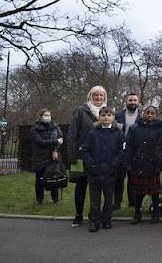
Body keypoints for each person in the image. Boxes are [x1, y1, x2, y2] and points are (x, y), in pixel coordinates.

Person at [79, 107, 125, 233]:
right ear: (99, 117)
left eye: (109, 115)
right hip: (95, 172)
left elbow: (122, 151)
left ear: (113, 117)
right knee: (95, 199)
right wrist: (91, 164)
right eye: (103, 115)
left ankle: (107, 219)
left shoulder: (119, 134)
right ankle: (94, 221)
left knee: (109, 199)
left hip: (110, 172)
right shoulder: (92, 133)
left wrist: (115, 164)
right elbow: (85, 150)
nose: (106, 117)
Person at [67, 85, 107, 227]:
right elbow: (72, 134)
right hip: (82, 155)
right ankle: (78, 215)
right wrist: (72, 155)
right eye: (95, 95)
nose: (98, 98)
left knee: (97, 188)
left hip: (100, 157)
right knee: (81, 186)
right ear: (90, 96)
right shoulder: (81, 111)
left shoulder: (107, 112)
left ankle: (94, 215)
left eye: (101, 95)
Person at [127, 105, 162, 224]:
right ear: (143, 113)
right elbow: (129, 147)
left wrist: (159, 165)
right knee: (138, 192)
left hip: (153, 164)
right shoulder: (134, 128)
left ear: (155, 115)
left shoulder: (160, 129)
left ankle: (155, 212)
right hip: (138, 164)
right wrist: (129, 162)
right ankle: (137, 212)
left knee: (154, 192)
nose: (149, 115)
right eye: (147, 113)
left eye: (152, 113)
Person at [30, 109, 64, 204]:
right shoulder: (34, 129)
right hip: (40, 158)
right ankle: (40, 199)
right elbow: (39, 142)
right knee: (40, 179)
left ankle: (55, 199)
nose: (47, 117)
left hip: (53, 156)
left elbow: (60, 139)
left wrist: (55, 150)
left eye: (49, 115)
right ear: (40, 117)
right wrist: (55, 141)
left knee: (54, 177)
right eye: (45, 115)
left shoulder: (55, 127)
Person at [115, 92, 142, 209]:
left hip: (135, 152)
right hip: (120, 151)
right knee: (119, 178)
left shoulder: (142, 116)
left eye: (135, 100)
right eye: (130, 100)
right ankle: (117, 203)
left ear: (138, 102)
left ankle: (133, 202)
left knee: (133, 179)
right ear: (126, 101)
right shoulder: (117, 115)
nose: (132, 102)